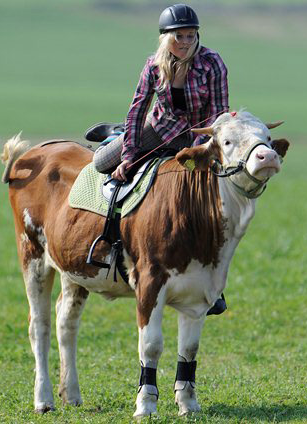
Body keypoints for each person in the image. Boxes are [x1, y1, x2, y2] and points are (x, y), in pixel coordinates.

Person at [91, 4, 229, 315]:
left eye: (191, 36)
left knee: (214, 204)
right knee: (102, 164)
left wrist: (198, 152)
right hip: (158, 129)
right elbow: (138, 109)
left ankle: (215, 287)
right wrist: (128, 155)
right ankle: (117, 136)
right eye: (178, 36)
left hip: (198, 138)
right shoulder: (154, 66)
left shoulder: (213, 63)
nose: (185, 42)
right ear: (164, 37)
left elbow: (218, 115)